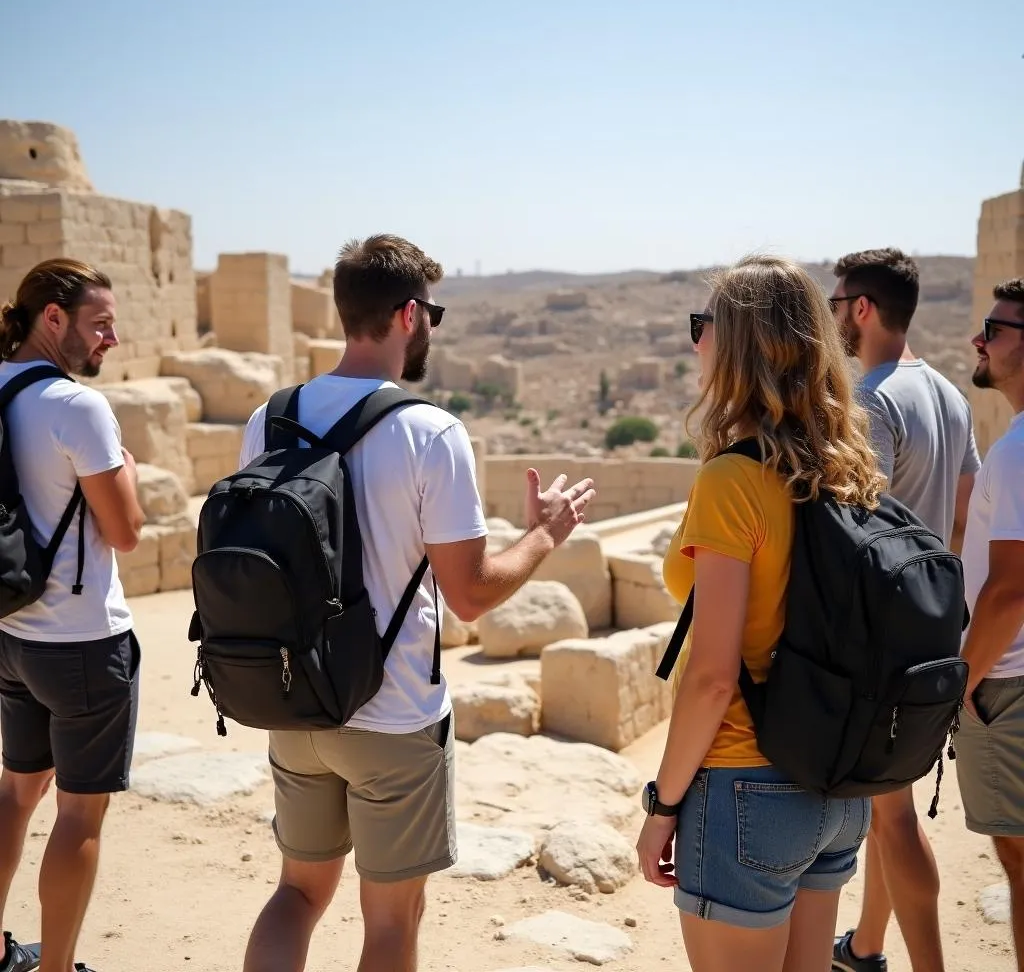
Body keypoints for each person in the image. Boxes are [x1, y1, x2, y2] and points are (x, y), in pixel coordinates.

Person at [239, 234, 596, 972]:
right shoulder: (429, 431)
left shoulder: (268, 419)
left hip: (293, 698)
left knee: (297, 895)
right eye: (431, 309)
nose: (431, 322)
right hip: (394, 712)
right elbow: (471, 595)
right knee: (393, 923)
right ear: (407, 315)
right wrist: (544, 536)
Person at [638, 254, 885, 972]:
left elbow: (714, 678)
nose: (694, 343)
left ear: (738, 343)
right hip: (835, 787)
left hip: (746, 782)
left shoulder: (731, 480)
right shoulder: (847, 466)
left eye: (700, 326)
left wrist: (661, 806)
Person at [828, 247, 981, 972]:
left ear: (861, 309)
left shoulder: (873, 400)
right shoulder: (950, 394)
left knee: (893, 816)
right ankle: (865, 946)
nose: (833, 321)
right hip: (937, 622)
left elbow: (867, 525)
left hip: (885, 634)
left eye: (836, 306)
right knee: (892, 808)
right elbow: (960, 516)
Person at [0, 258, 145, 972]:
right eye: (101, 324)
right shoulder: (77, 406)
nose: (110, 339)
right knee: (80, 814)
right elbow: (125, 531)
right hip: (84, 642)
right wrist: (130, 472)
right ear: (51, 319)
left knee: (14, 792)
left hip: (12, 631)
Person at [955, 277, 1024, 971]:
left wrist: (961, 683)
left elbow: (1009, 592)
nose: (980, 339)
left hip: (1008, 686)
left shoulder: (1017, 452)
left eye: (996, 330)